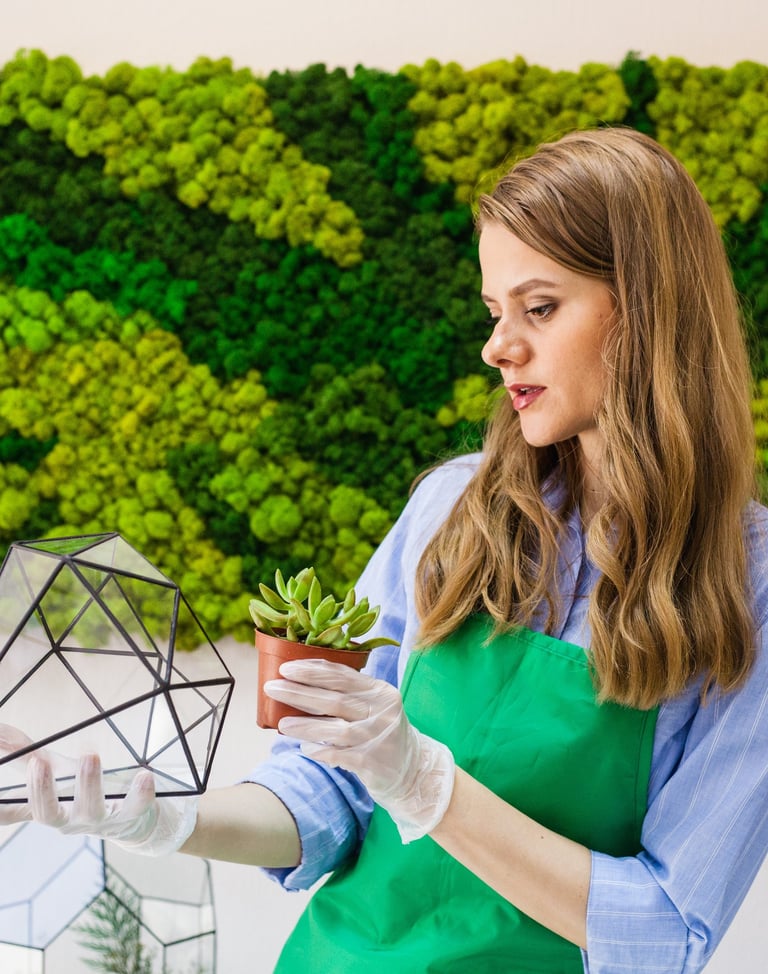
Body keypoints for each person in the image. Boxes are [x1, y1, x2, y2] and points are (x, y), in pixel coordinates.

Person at [2, 126, 768, 974]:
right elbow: (322, 791)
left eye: (539, 308)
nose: (497, 347)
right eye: (494, 312)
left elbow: (667, 934)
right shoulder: (453, 507)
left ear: (649, 310)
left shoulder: (752, 584)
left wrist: (427, 788)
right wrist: (158, 818)